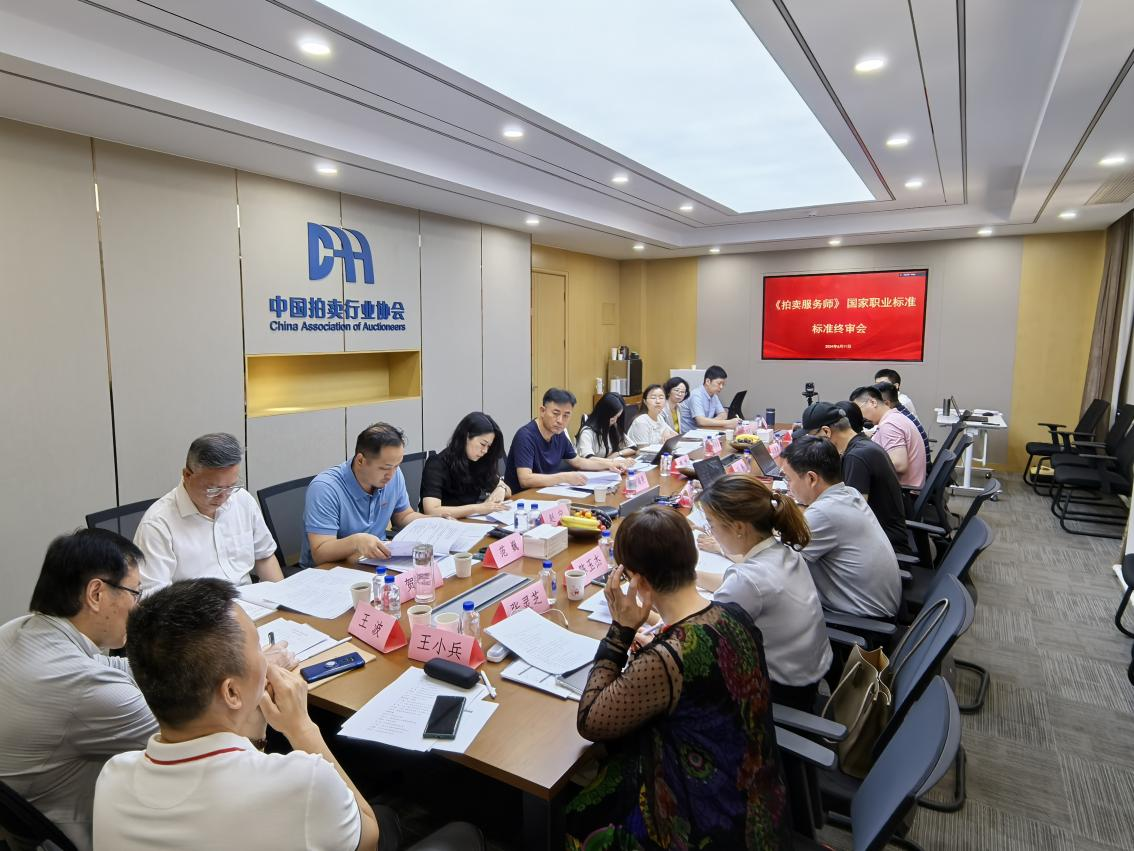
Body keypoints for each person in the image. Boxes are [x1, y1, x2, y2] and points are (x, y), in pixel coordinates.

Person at [93, 579, 482, 851]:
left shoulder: (112, 778)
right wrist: (302, 728)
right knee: (457, 833)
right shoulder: (301, 781)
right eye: (258, 649)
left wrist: (255, 733)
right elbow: (369, 838)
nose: (267, 660)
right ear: (232, 692)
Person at [565, 506, 790, 849]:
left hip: (709, 822)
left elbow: (590, 720)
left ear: (638, 581)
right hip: (761, 798)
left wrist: (621, 632)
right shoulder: (733, 614)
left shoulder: (668, 657)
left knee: (577, 814)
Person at [0, 530, 157, 851]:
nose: (137, 606)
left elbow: (114, 668)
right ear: (96, 593)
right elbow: (190, 737)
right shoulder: (85, 686)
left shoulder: (16, 631)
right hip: (85, 833)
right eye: (135, 593)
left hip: (27, 824)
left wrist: (188, 665)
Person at [695, 475, 833, 711]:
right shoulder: (784, 551)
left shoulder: (747, 581)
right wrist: (692, 577)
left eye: (711, 524)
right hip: (807, 676)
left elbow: (700, 641)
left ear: (739, 527)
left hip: (777, 692)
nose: (712, 532)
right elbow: (735, 585)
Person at [134, 432, 282, 592]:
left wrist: (282, 598)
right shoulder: (157, 524)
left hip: (250, 600)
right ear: (187, 475)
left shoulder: (242, 500)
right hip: (195, 606)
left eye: (231, 486)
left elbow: (264, 556)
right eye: (213, 489)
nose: (223, 496)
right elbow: (154, 596)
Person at [779, 437, 901, 619]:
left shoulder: (824, 513)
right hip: (874, 605)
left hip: (858, 620)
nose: (788, 487)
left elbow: (777, 562)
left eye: (788, 479)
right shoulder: (850, 493)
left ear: (811, 478)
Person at [302, 422, 429, 568]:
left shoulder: (393, 474)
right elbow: (320, 553)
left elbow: (403, 515)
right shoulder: (325, 488)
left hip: (377, 562)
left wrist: (436, 522)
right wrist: (356, 542)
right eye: (385, 468)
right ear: (360, 460)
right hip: (332, 570)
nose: (391, 474)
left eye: (397, 466)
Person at [801, 401, 911, 555]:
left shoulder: (857, 457)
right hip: (878, 538)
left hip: (884, 546)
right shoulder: (861, 446)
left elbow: (851, 516)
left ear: (826, 432)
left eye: (813, 438)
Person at [504, 388, 628, 492]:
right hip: (522, 499)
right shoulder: (526, 436)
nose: (560, 420)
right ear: (542, 411)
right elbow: (525, 480)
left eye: (566, 415)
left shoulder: (558, 433)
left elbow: (578, 462)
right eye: (555, 413)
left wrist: (610, 464)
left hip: (546, 492)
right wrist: (564, 477)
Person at [420, 412, 511, 519]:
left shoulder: (478, 461)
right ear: (467, 436)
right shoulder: (437, 464)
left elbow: (508, 491)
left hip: (467, 522)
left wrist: (501, 488)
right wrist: (478, 508)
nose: (485, 451)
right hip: (441, 525)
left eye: (488, 446)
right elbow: (431, 510)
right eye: (482, 444)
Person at [850, 385, 927, 488]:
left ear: (873, 402)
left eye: (859, 410)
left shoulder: (890, 425)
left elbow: (899, 465)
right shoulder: (894, 417)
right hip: (904, 487)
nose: (859, 415)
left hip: (903, 491)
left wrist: (865, 464)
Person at [874, 380, 932, 465]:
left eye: (874, 403)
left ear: (886, 403)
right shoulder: (900, 414)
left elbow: (899, 465)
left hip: (915, 471)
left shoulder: (892, 422)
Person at [679, 365, 741, 432]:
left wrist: (709, 422)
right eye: (719, 383)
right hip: (689, 434)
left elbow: (723, 414)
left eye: (723, 384)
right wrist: (728, 422)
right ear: (708, 381)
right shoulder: (696, 395)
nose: (721, 387)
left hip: (704, 431)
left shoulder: (714, 395)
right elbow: (701, 421)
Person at [576, 392, 636, 458]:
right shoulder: (587, 432)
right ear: (604, 415)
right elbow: (589, 459)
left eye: (618, 417)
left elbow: (633, 448)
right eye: (612, 419)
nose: (615, 421)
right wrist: (610, 461)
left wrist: (618, 454)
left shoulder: (613, 426)